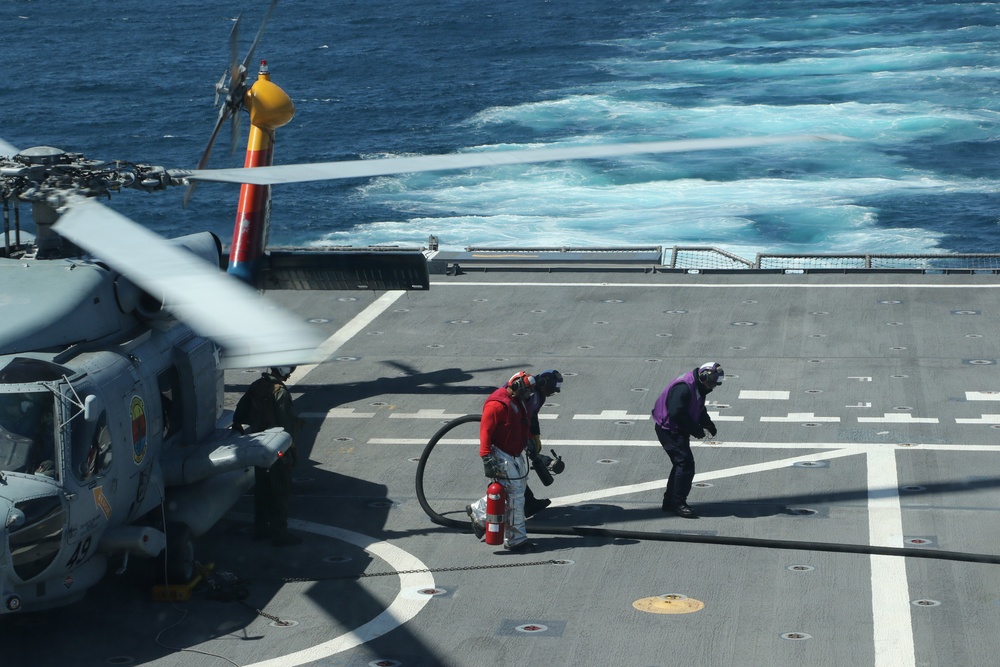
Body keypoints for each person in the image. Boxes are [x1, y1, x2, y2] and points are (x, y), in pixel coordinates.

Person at [466, 371, 536, 552]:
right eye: (525, 392)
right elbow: (485, 433)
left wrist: (529, 441)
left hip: (514, 453)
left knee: (513, 490)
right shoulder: (496, 405)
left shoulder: (519, 400)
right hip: (500, 454)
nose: (527, 396)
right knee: (515, 496)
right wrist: (487, 459)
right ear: (516, 386)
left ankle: (479, 512)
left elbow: (522, 423)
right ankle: (515, 539)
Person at [233, 366, 302, 546]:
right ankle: (280, 534)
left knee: (262, 489)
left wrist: (239, 427)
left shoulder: (257, 386)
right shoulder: (281, 394)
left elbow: (240, 411)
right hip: (278, 449)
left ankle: (260, 529)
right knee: (280, 490)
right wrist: (292, 450)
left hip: (258, 447)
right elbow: (286, 427)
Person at [651, 362, 724, 518]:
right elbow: (676, 413)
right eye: (711, 383)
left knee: (681, 463)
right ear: (703, 376)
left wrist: (707, 423)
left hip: (676, 428)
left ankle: (670, 501)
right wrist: (695, 429)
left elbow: (697, 406)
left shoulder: (699, 386)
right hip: (669, 429)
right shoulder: (684, 388)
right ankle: (678, 503)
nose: (712, 388)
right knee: (685, 464)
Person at [523, 370, 564, 518]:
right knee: (511, 474)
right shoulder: (527, 392)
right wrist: (527, 439)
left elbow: (532, 416)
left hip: (517, 430)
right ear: (542, 383)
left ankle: (528, 503)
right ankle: (480, 512)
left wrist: (535, 436)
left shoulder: (539, 397)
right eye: (551, 389)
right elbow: (518, 414)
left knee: (517, 473)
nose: (552, 393)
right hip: (508, 430)